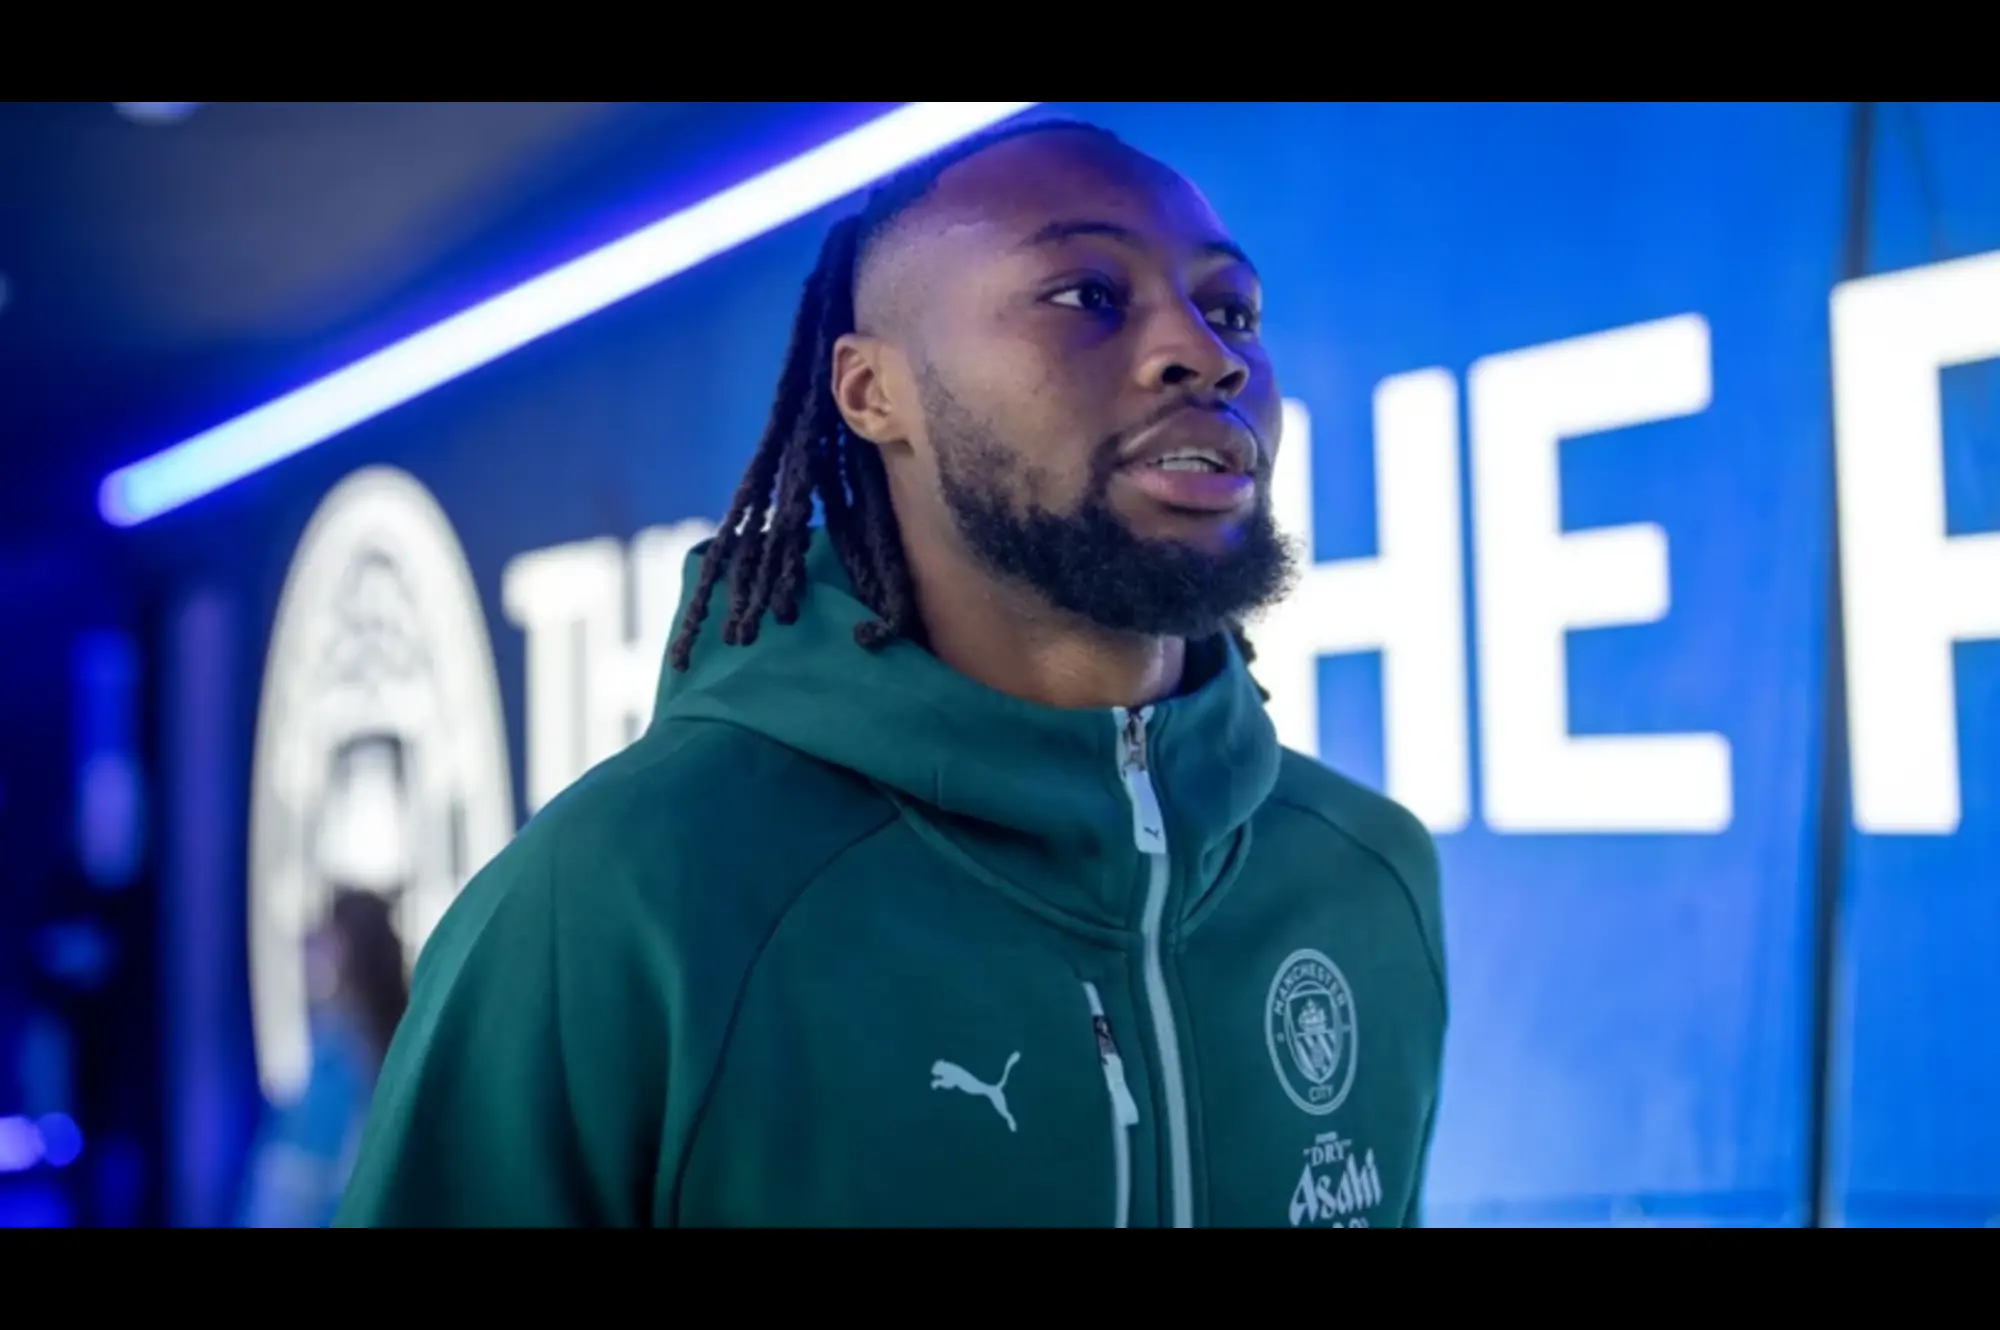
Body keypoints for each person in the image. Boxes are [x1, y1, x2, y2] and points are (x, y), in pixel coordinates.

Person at [335, 117, 1447, 1228]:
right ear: (872, 392)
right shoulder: (626, 896)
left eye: (1232, 310)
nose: (1205, 354)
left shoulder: (1364, 877)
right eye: (1085, 296)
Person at [239, 889, 407, 1227]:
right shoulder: (396, 1051)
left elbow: (287, 1202)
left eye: (320, 944)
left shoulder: (339, 1065)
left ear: (343, 955)